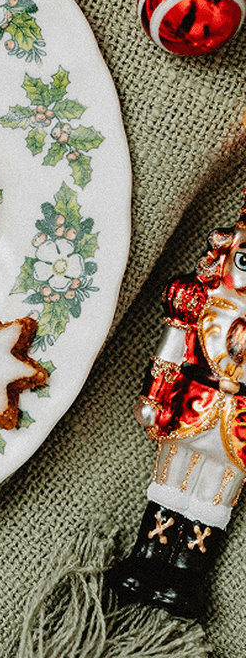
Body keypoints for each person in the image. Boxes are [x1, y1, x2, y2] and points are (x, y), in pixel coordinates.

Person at [110, 199, 246, 617]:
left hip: (240, 420)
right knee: (172, 480)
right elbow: (172, 350)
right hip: (192, 401)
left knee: (216, 493)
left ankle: (187, 572)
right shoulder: (199, 297)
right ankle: (148, 556)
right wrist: (153, 395)